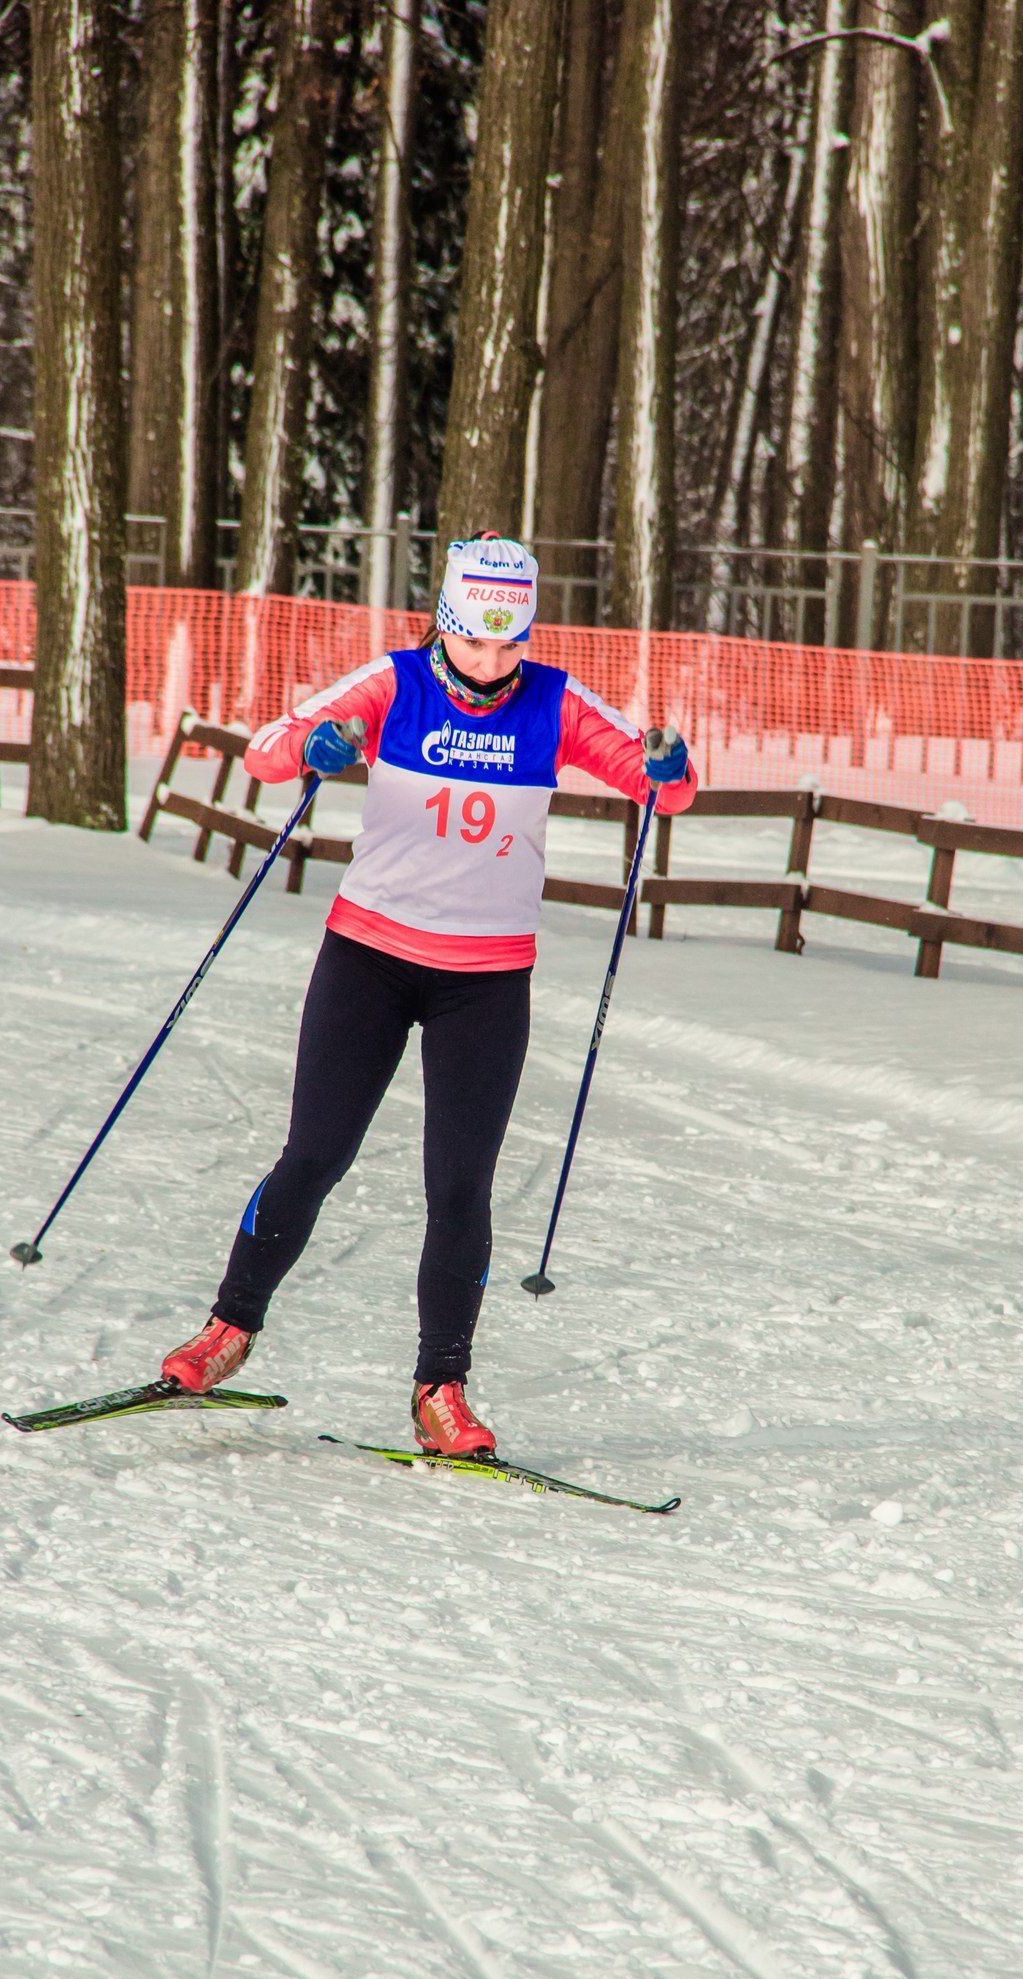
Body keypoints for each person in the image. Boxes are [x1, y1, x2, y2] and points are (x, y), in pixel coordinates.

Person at [160, 534, 697, 1457]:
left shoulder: (557, 701)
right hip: (368, 960)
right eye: (474, 644)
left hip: (485, 985)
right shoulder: (394, 682)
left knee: (460, 1188)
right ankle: (228, 1329)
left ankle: (440, 1389)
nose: (491, 667)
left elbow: (671, 790)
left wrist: (667, 762)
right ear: (443, 626)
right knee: (314, 1155)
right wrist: (320, 745)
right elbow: (265, 753)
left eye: (508, 646)